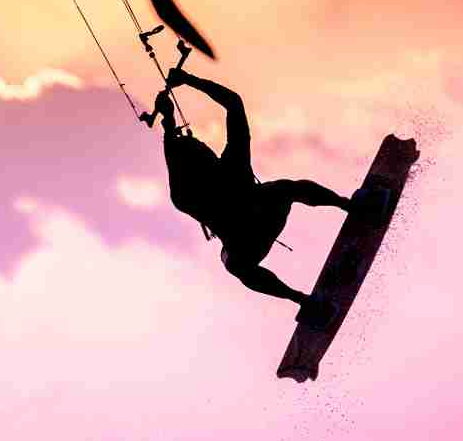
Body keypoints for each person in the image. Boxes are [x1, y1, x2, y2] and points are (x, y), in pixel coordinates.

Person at [146, 66, 352, 305]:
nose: (203, 145)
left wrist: (170, 124)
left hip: (255, 234)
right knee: (237, 257)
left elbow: (231, 106)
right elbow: (232, 103)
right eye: (199, 145)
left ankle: (346, 207)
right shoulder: (211, 180)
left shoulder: (191, 193)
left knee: (283, 193)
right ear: (202, 156)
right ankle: (304, 299)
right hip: (253, 237)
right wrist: (188, 82)